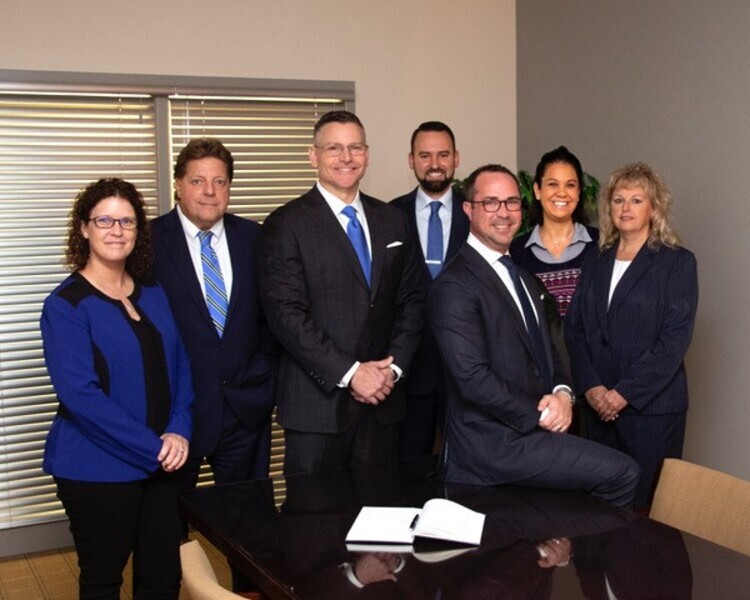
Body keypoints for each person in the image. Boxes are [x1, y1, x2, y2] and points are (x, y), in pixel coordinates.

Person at [429, 164, 640, 508]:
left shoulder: (525, 279)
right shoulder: (454, 285)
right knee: (623, 472)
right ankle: (579, 550)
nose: (504, 213)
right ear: (468, 209)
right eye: (491, 203)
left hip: (532, 433)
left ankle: (558, 540)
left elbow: (551, 353)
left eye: (512, 202)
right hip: (493, 443)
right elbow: (472, 379)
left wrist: (563, 393)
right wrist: (542, 415)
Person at [40, 178, 193, 598]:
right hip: (97, 469)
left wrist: (179, 429)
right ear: (84, 228)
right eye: (104, 219)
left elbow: (179, 364)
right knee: (103, 581)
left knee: (163, 579)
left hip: (163, 463)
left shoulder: (154, 293)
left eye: (127, 221)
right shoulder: (65, 305)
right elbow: (80, 397)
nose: (117, 230)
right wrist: (154, 447)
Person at [259, 110, 425, 475]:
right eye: (334, 147)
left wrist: (391, 371)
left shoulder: (393, 220)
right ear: (313, 155)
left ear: (367, 154)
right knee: (313, 524)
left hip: (383, 404)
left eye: (355, 147)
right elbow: (286, 316)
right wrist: (352, 373)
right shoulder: (285, 224)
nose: (346, 157)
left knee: (380, 520)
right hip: (317, 411)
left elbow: (412, 301)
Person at [565, 162, 698, 510]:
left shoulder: (677, 263)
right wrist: (592, 387)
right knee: (598, 508)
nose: (625, 208)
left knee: (645, 513)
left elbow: (674, 341)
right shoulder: (596, 259)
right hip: (596, 409)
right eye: (618, 200)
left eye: (636, 200)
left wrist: (623, 394)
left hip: (651, 411)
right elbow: (575, 329)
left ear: (654, 208)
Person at [151, 138, 276, 488]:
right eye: (197, 181)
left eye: (219, 182)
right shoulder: (149, 242)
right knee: (169, 527)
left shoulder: (255, 238)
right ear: (178, 185)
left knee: (249, 522)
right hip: (176, 417)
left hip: (245, 409)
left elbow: (273, 318)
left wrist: (267, 379)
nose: (209, 191)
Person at [391, 121, 469, 458]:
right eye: (425, 155)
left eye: (442, 154)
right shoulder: (388, 216)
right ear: (411, 160)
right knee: (409, 472)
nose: (434, 163)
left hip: (467, 369)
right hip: (410, 369)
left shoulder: (479, 212)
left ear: (456, 158)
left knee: (470, 472)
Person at [510, 145, 599, 318]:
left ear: (579, 192)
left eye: (570, 185)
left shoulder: (602, 245)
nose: (561, 193)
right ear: (537, 190)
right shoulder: (516, 252)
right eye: (552, 184)